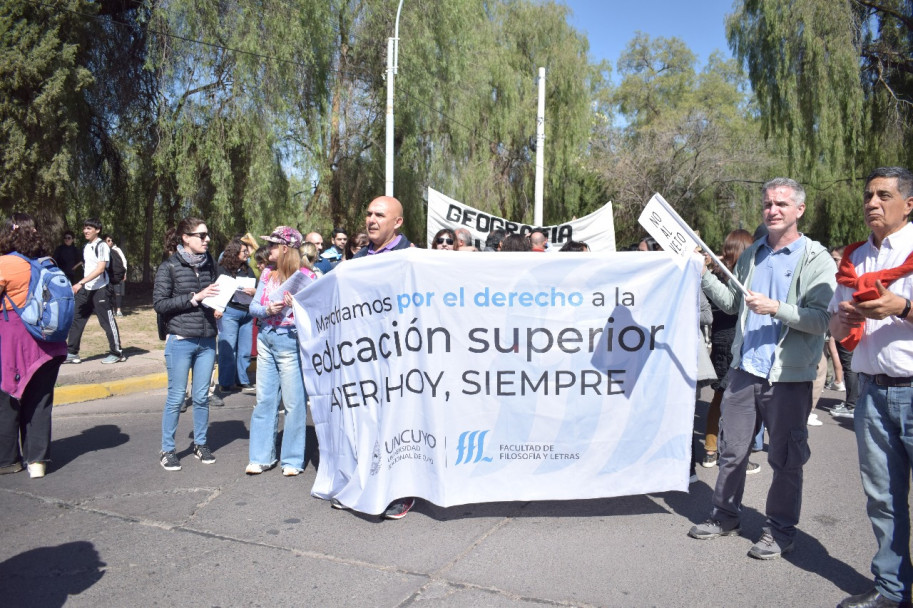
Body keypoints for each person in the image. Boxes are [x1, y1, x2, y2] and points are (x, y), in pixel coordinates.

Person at [687, 177, 836, 560]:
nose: (773, 210)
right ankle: (724, 515)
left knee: (785, 460)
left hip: (788, 377)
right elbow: (733, 305)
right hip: (744, 371)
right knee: (732, 452)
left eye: (781, 204)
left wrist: (778, 308)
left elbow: (822, 320)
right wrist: (701, 274)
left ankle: (780, 531)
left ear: (798, 210)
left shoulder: (815, 257)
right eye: (768, 203)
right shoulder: (753, 253)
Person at [830, 167, 913, 608]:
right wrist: (840, 320)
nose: (872, 203)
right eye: (868, 195)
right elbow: (831, 319)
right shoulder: (854, 258)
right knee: (883, 498)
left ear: (908, 204)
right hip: (873, 393)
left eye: (884, 195)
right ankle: (892, 591)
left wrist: (903, 306)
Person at [348, 196, 415, 518]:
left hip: (402, 360)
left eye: (380, 215)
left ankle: (401, 492)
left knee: (400, 426)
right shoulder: (356, 260)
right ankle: (366, 483)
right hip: (364, 359)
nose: (371, 220)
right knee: (368, 424)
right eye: (369, 214)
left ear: (397, 222)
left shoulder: (414, 259)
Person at [0, 213, 68, 478]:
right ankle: (37, 462)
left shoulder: (5, 263)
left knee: (8, 398)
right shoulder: (48, 264)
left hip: (15, 342)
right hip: (50, 343)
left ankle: (7, 460)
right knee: (40, 401)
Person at [153, 217, 221, 471]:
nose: (207, 240)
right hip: (181, 339)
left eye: (207, 235)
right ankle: (167, 449)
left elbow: (215, 292)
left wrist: (219, 305)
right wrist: (194, 299)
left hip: (206, 339)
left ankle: (200, 444)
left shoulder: (209, 264)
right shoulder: (169, 267)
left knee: (202, 396)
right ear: (186, 238)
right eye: (201, 236)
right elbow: (160, 304)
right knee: (176, 397)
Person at [246, 227, 314, 477]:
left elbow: (316, 313)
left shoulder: (307, 276)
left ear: (285, 248)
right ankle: (261, 457)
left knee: (294, 402)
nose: (268, 249)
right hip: (266, 338)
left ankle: (292, 460)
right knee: (265, 399)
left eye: (273, 245)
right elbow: (254, 307)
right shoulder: (266, 274)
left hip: (290, 341)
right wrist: (268, 309)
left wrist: (294, 306)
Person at [702, 229, 755, 468]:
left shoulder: (719, 276)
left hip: (725, 340)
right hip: (731, 341)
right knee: (728, 398)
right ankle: (714, 449)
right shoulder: (730, 279)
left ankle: (714, 449)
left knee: (723, 397)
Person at [65, 219, 125, 365]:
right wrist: (84, 284)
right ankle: (72, 352)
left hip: (101, 289)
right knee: (77, 318)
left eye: (89, 228)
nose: (85, 231)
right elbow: (89, 267)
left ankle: (116, 352)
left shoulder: (102, 245)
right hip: (87, 289)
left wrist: (80, 283)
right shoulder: (86, 246)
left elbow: (100, 269)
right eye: (84, 228)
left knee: (106, 322)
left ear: (97, 230)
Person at [216, 236, 256, 394]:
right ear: (235, 252)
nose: (247, 254)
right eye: (244, 251)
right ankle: (225, 382)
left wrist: (254, 291)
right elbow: (216, 289)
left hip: (247, 313)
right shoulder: (222, 269)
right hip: (230, 312)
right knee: (228, 349)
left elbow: (256, 286)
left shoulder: (248, 269)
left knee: (245, 350)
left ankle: (242, 380)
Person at [103, 234, 127, 317]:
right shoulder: (103, 251)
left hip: (116, 275)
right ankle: (111, 310)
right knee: (109, 293)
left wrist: (125, 273)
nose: (111, 242)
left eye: (111, 240)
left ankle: (119, 310)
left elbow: (124, 261)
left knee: (118, 293)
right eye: (108, 241)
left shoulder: (117, 250)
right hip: (107, 275)